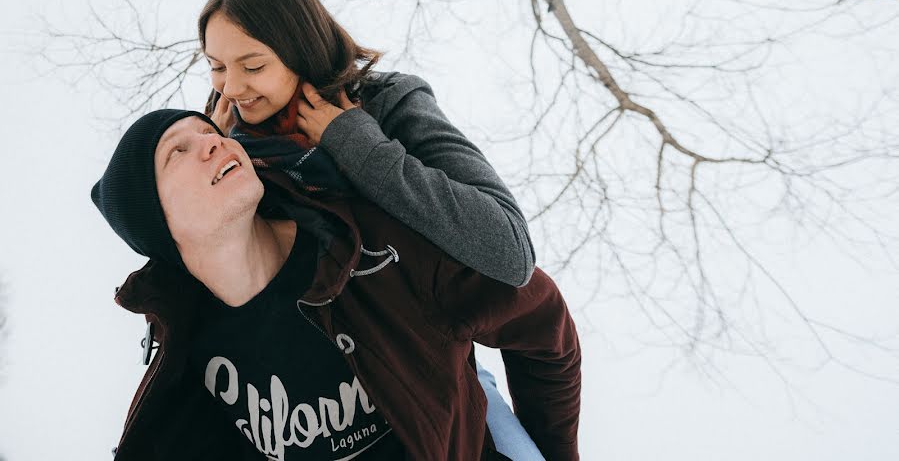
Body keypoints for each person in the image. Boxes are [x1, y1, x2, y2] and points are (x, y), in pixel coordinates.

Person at [91, 109, 582, 460]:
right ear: (155, 222)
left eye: (210, 131)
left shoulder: (375, 250)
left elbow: (544, 325)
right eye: (179, 150)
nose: (213, 141)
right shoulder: (185, 365)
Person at [195, 0, 545, 456]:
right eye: (215, 65)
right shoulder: (228, 144)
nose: (230, 87)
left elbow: (510, 251)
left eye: (252, 66)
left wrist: (360, 148)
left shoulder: (389, 104)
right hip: (313, 412)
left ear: (302, 52)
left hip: (436, 377)